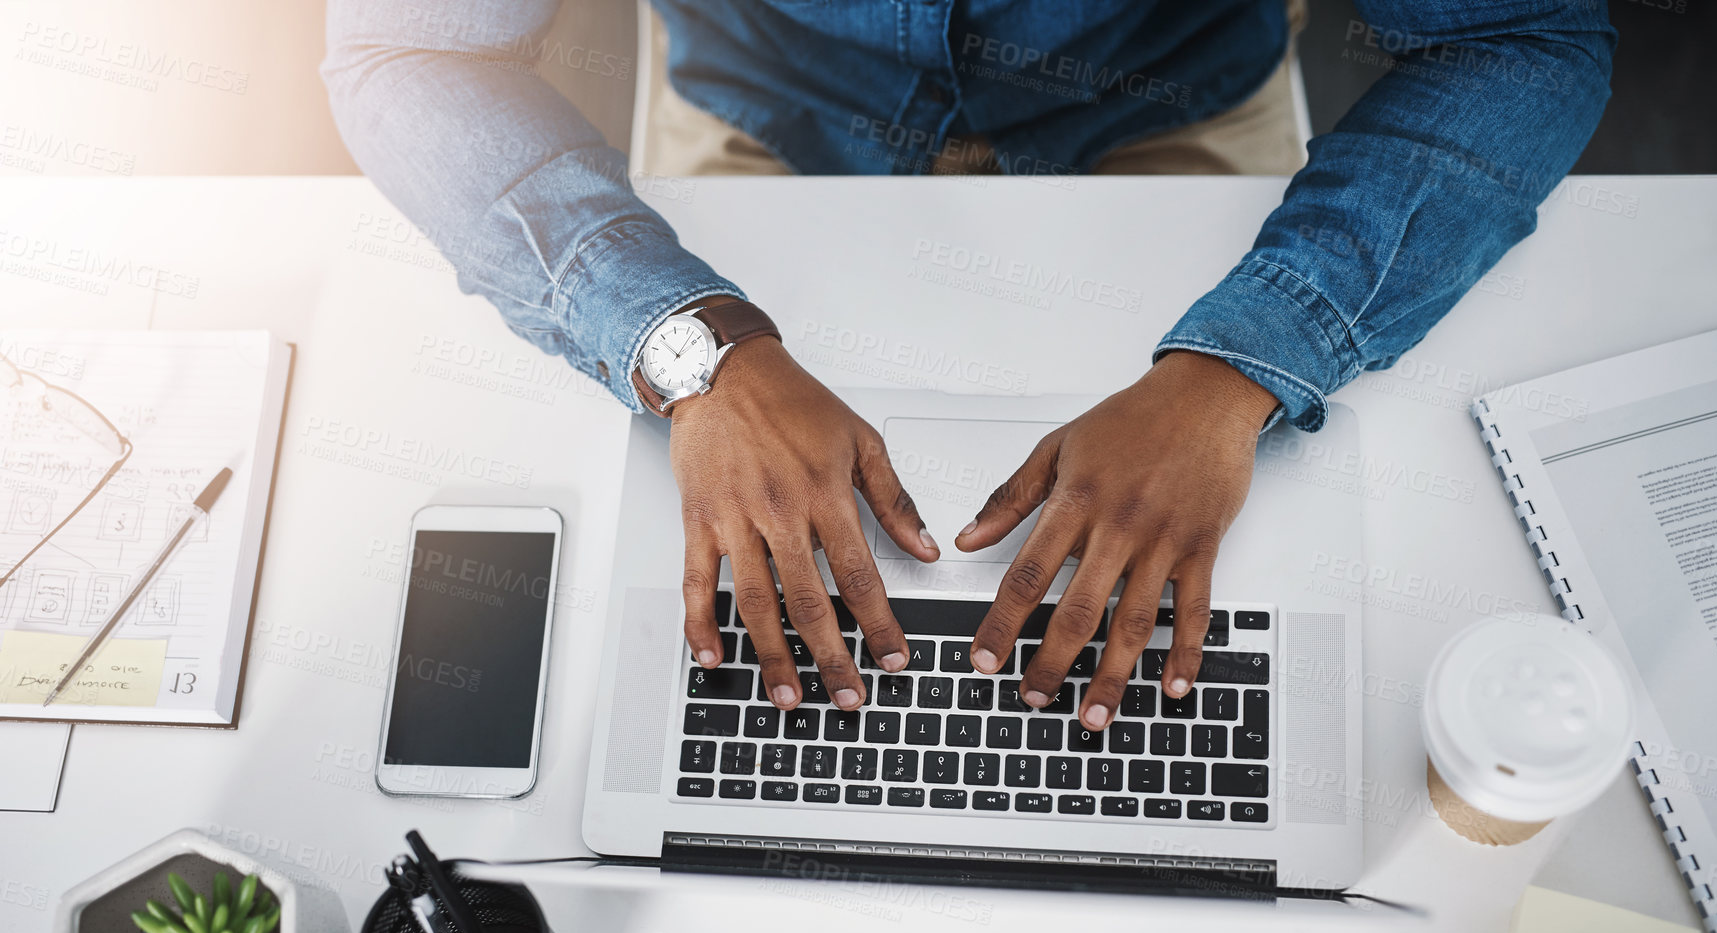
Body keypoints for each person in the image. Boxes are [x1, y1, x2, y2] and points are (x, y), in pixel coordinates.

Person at [323, 0, 1614, 734]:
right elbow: (399, 50)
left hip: (1168, 112)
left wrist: (1248, 361)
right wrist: (684, 340)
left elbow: (1522, 36)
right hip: (765, 118)